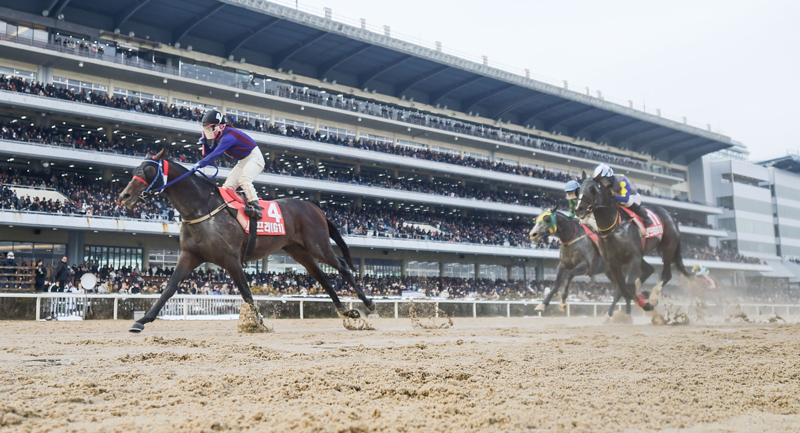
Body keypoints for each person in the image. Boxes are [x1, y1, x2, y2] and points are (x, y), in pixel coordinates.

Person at [196, 110, 265, 219]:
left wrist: (199, 164)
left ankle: (256, 209)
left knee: (244, 180)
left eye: (210, 128)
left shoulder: (228, 137)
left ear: (220, 126)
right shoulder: (219, 136)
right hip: (243, 160)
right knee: (227, 188)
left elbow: (215, 155)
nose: (209, 131)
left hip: (254, 158)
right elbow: (210, 153)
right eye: (207, 129)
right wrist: (204, 143)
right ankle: (236, 208)